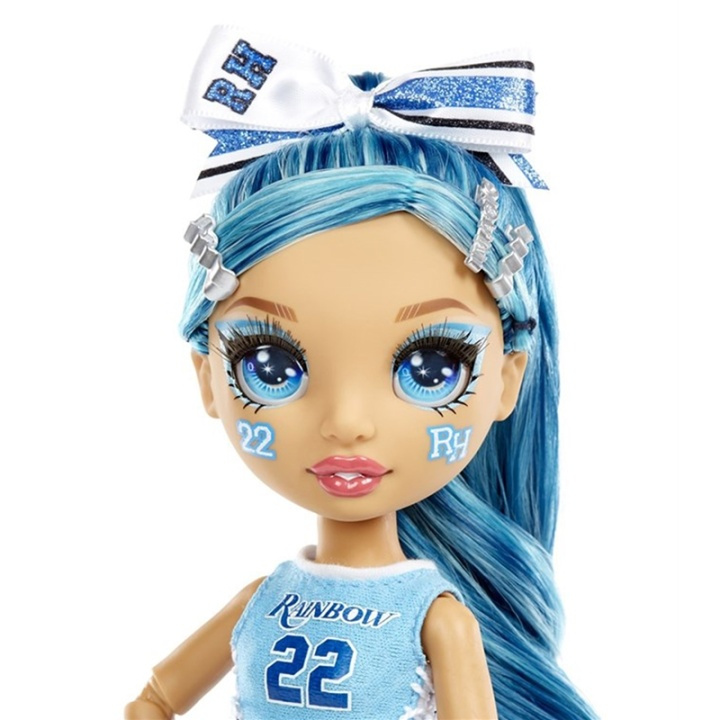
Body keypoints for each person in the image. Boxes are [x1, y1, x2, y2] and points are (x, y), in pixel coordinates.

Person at [125, 29, 597, 720]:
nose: (347, 422)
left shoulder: (438, 618)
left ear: (507, 379)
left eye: (432, 368)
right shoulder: (264, 600)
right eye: (269, 365)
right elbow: (155, 700)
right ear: (206, 376)